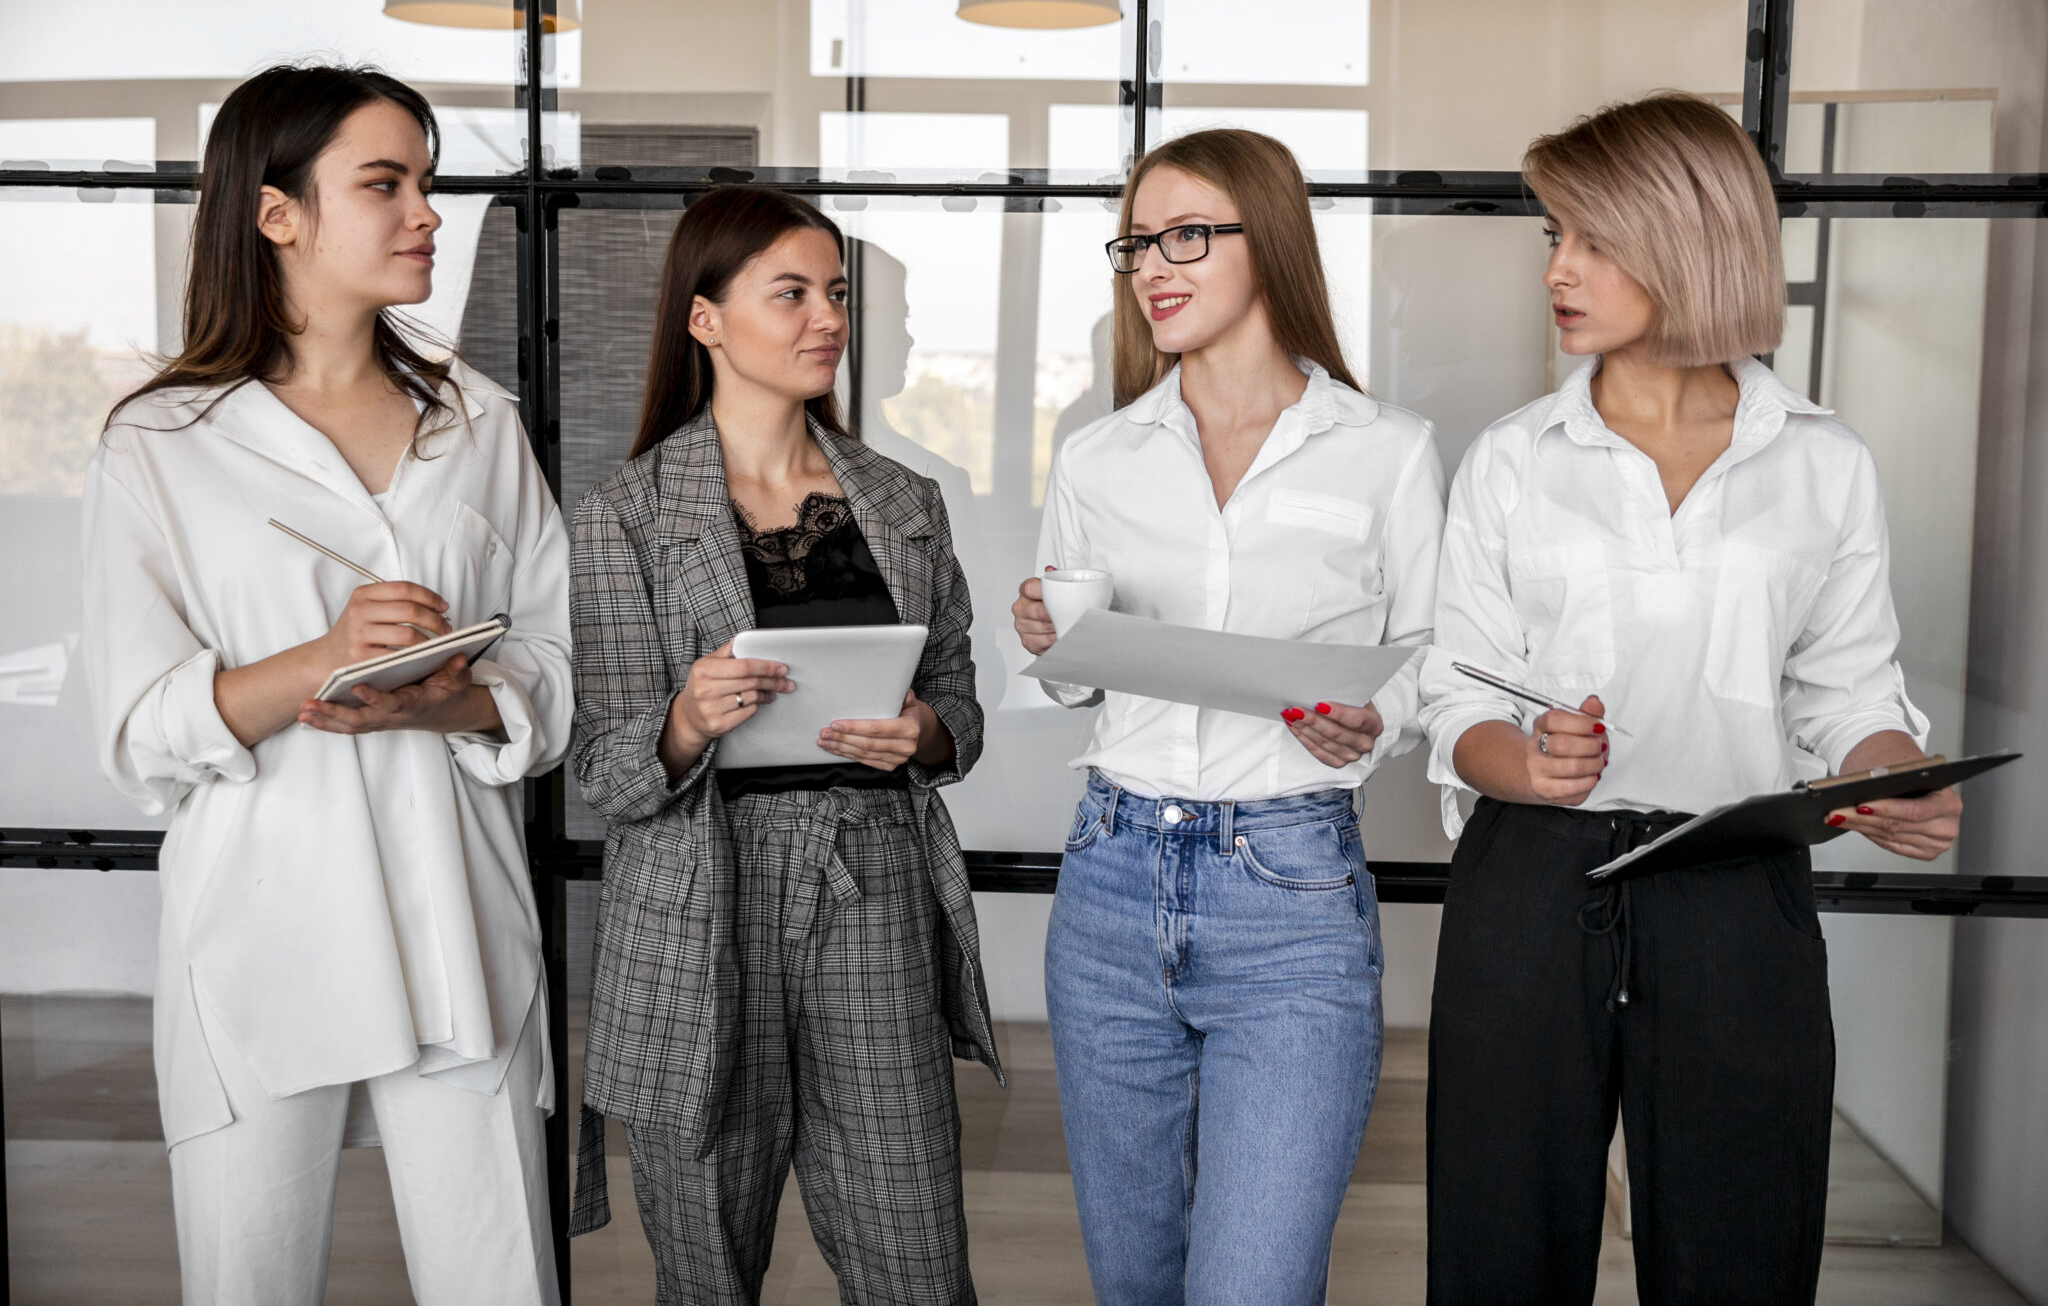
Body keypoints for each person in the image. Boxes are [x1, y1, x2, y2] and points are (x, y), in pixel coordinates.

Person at [1418, 92, 1963, 1305]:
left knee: (1741, 1254)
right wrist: (1525, 759)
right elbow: (1454, 690)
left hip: (1731, 890)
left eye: (1590, 239)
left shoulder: (1823, 460)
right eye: (1550, 235)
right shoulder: (1511, 458)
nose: (1556, 268)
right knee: (1496, 1256)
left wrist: (1890, 777)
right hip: (1530, 886)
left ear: (1687, 239)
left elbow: (1847, 687)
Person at [82, 64, 572, 1305]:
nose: (425, 213)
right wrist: (320, 660)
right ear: (275, 211)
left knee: (501, 1279)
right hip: (261, 934)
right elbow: (139, 730)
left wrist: (448, 699)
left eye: (426, 182)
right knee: (246, 1281)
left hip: (460, 926)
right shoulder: (161, 441)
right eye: (384, 183)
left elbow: (561, 670)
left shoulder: (479, 424)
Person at [1011, 128, 1447, 1305]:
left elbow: (1427, 661)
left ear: (1273, 240)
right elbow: (1071, 681)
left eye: (1187, 235)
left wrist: (1373, 720)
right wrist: (1051, 647)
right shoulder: (1099, 455)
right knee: (1134, 1281)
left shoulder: (1386, 452)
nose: (1153, 264)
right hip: (1107, 883)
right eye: (1137, 242)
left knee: (1251, 1284)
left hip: (1290, 892)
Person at [566, 185, 1003, 1306]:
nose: (827, 319)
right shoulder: (624, 516)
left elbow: (958, 705)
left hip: (873, 885)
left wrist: (922, 732)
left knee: (913, 1254)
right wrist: (681, 722)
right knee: (705, 1263)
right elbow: (605, 771)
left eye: (838, 294)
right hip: (699, 905)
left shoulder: (903, 500)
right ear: (705, 318)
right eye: (792, 293)